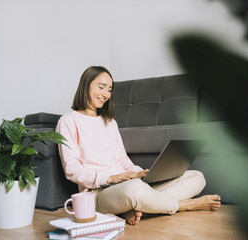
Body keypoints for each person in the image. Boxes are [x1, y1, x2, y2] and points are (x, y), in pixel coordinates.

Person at [56, 66, 221, 225]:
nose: (105, 94)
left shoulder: (109, 122)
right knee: (134, 189)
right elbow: (72, 170)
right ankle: (184, 205)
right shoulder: (68, 121)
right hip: (98, 193)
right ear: (86, 85)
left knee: (197, 177)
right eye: (102, 87)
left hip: (126, 184)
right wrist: (111, 178)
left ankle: (141, 206)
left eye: (109, 89)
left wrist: (138, 172)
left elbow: (121, 158)